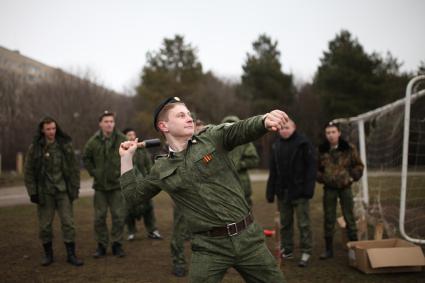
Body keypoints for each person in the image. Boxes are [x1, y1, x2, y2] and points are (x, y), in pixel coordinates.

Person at [119, 97, 287, 283]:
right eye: (181, 115)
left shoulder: (212, 137)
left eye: (189, 114)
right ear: (164, 126)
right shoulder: (161, 168)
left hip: (248, 239)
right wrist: (126, 159)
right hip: (209, 248)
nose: (189, 118)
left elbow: (239, 129)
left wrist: (263, 120)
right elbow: (133, 196)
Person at [24, 117, 83, 266]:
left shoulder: (65, 145)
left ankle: (71, 255)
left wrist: (75, 188)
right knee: (45, 225)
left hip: (63, 190)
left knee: (68, 223)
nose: (51, 132)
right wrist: (33, 192)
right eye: (48, 129)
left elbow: (74, 169)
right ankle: (48, 255)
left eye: (53, 128)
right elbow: (28, 172)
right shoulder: (36, 148)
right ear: (43, 130)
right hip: (45, 193)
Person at [266, 119, 316, 267]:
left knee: (303, 224)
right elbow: (273, 171)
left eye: (287, 127)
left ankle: (306, 251)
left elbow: (311, 168)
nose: (284, 130)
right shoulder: (276, 145)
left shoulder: (303, 144)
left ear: (294, 128)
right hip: (282, 193)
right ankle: (287, 249)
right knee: (285, 224)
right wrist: (270, 191)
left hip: (300, 192)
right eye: (281, 128)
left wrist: (308, 189)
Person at [83, 111, 127, 258]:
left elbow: (130, 157)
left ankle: (117, 245)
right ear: (100, 124)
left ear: (114, 123)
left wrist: (122, 172)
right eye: (106, 121)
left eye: (111, 121)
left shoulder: (122, 139)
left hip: (116, 185)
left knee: (118, 216)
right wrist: (94, 172)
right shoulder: (93, 141)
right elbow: (86, 158)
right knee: (99, 217)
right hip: (100, 187)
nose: (109, 124)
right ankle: (101, 245)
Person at [317, 121, 364, 259]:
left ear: (339, 133)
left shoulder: (349, 148)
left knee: (349, 217)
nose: (330, 135)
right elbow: (316, 169)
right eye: (328, 133)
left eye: (333, 132)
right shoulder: (322, 150)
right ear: (325, 135)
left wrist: (351, 177)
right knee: (329, 218)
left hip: (345, 188)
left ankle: (354, 249)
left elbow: (359, 166)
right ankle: (328, 249)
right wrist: (323, 178)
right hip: (329, 189)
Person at [122, 127, 162, 241]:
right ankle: (131, 232)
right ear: (124, 137)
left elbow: (148, 164)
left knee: (148, 207)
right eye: (129, 135)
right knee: (128, 209)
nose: (132, 137)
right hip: (129, 183)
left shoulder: (142, 150)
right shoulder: (123, 150)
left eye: (133, 134)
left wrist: (151, 177)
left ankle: (153, 230)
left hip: (143, 183)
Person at [221, 115, 260, 207]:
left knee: (246, 214)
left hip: (242, 184)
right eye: (228, 125)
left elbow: (254, 160)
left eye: (233, 125)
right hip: (223, 185)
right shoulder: (217, 142)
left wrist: (240, 164)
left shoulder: (245, 142)